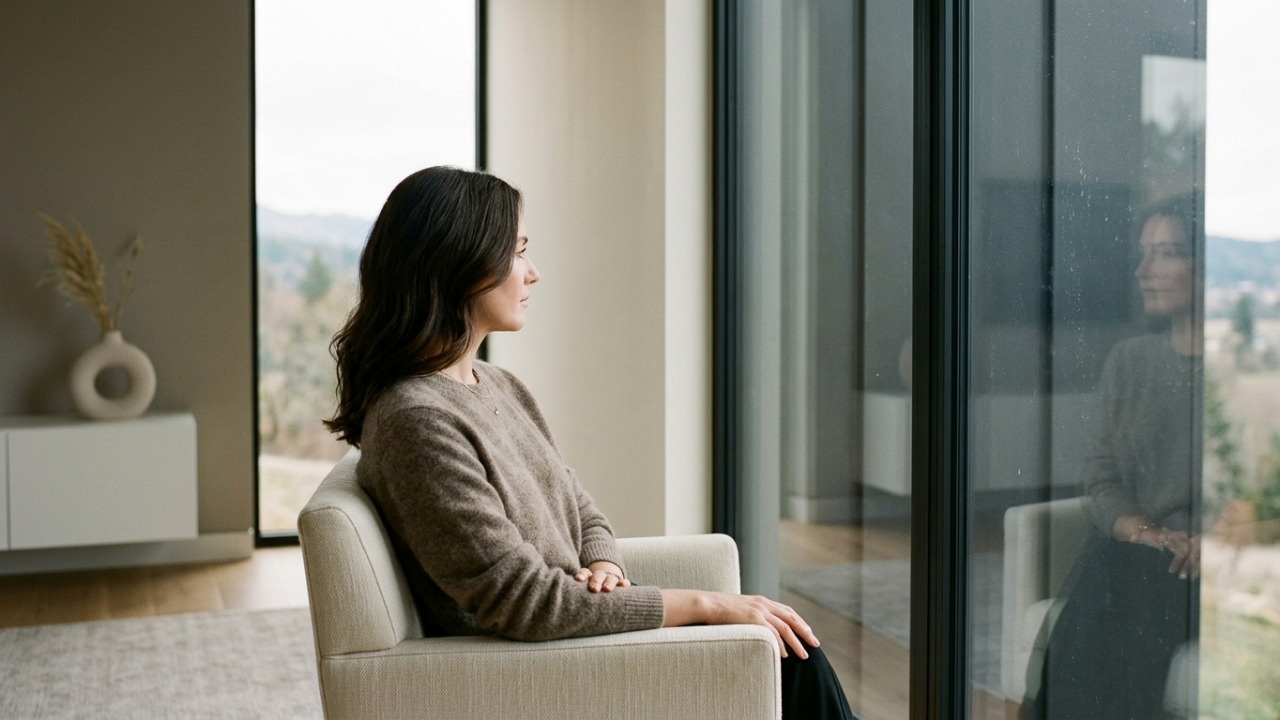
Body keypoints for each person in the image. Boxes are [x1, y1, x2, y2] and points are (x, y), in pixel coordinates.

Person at [324, 166, 854, 719]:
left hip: (580, 631)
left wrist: (604, 565)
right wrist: (708, 605)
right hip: (547, 667)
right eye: (518, 251)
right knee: (786, 649)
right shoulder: (418, 423)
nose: (533, 273)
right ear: (457, 261)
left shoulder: (496, 385)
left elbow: (579, 507)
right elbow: (523, 602)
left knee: (790, 647)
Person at [1022, 193, 1202, 719]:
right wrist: (1145, 531)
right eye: (1143, 253)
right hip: (1138, 554)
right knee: (1113, 568)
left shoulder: (1250, 370)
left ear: (1206, 263)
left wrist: (1216, 542)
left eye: (1167, 252)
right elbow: (1101, 477)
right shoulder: (1129, 361)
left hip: (1207, 575)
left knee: (1110, 580)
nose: (1145, 270)